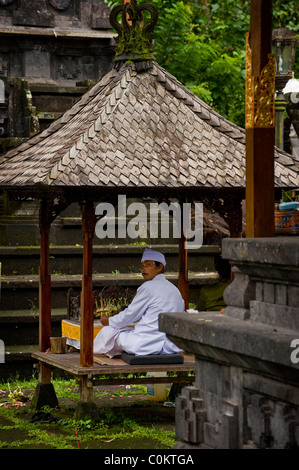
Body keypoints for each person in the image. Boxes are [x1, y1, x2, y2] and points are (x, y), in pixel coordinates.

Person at [93, 248, 185, 358]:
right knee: (124, 331)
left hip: (145, 345)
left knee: (109, 331)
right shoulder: (175, 290)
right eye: (142, 265)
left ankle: (86, 349)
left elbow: (130, 315)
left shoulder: (148, 287)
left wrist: (109, 321)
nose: (143, 269)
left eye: (148, 265)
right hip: (170, 347)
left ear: (160, 267)